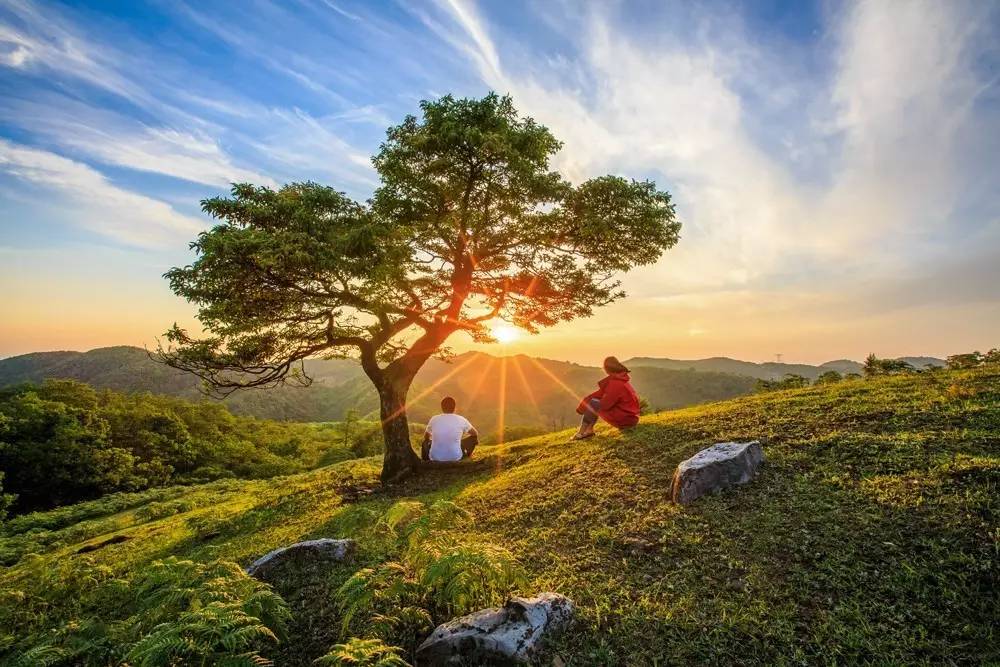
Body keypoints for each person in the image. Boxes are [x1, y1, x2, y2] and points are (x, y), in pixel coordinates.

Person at [572, 356, 641, 440]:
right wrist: (583, 406)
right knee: (594, 402)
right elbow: (597, 394)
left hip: (626, 420)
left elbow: (605, 405)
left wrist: (588, 406)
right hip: (631, 417)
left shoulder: (616, 383)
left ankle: (580, 433)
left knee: (594, 403)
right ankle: (589, 430)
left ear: (606, 369)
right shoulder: (619, 379)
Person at [421, 396, 479, 462]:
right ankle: (468, 455)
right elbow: (475, 433)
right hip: (455, 457)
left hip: (435, 458)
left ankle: (425, 461)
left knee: (424, 442)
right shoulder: (461, 419)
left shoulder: (434, 419)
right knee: (474, 438)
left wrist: (436, 439)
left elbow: (426, 437)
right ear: (454, 408)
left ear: (442, 407)